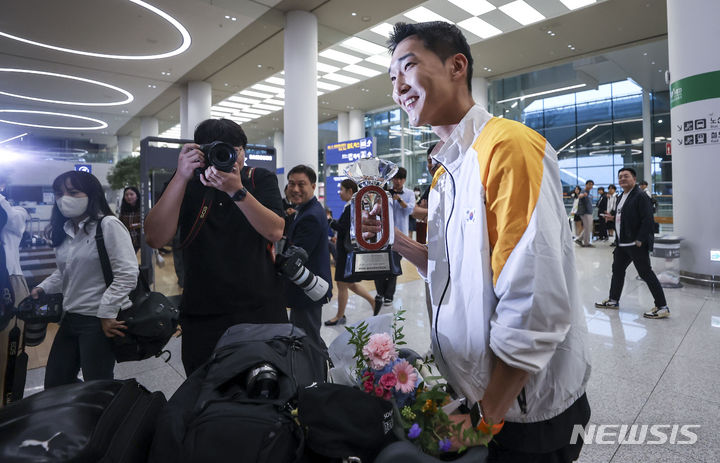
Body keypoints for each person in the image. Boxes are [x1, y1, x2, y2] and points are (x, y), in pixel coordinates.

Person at [383, 21, 590, 461]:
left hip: (522, 412)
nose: (397, 86)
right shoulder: (445, 172)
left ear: (457, 66)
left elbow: (535, 302)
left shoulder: (507, 147)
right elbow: (452, 266)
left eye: (408, 66)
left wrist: (485, 418)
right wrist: (396, 241)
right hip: (476, 397)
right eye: (391, 77)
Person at [144, 118, 287, 375]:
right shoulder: (185, 184)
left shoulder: (258, 180)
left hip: (260, 309)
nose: (226, 157)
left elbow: (275, 231)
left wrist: (237, 191)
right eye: (216, 151)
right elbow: (155, 238)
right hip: (203, 312)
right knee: (203, 391)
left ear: (243, 152)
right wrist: (180, 176)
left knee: (268, 391)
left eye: (234, 150)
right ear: (201, 153)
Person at [30, 171, 138, 388]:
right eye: (59, 194)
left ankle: (104, 420)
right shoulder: (65, 231)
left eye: (72, 192)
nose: (64, 199)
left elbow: (127, 274)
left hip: (97, 321)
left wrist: (107, 313)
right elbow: (64, 272)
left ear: (91, 194)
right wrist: (42, 287)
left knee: (97, 385)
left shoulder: (108, 225)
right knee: (56, 382)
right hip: (70, 316)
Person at [595, 168, 670, 319]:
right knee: (617, 270)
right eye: (620, 177)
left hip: (635, 244)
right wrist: (613, 217)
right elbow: (624, 214)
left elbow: (648, 220)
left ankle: (662, 306)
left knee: (645, 273)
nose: (622, 179)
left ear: (634, 179)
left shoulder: (640, 196)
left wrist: (640, 240)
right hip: (622, 243)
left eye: (626, 176)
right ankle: (613, 300)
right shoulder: (621, 196)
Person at [284, 165, 332, 351]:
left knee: (307, 340)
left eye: (301, 184)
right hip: (307, 289)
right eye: (291, 184)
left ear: (313, 185)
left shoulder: (310, 215)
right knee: (306, 335)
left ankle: (316, 376)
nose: (295, 189)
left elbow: (296, 259)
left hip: (308, 289)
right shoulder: (306, 209)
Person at [324, 179, 376, 326]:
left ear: (350, 191)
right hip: (347, 251)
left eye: (342, 189)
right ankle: (373, 302)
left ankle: (339, 316)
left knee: (342, 284)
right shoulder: (352, 206)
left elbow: (342, 228)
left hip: (346, 252)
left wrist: (329, 220)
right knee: (350, 284)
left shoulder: (350, 207)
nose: (340, 193)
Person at [0, 178, 31, 405]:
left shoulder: (10, 211)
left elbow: (16, 219)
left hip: (8, 283)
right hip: (10, 280)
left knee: (8, 353)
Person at [373, 167, 415, 314]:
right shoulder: (385, 193)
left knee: (394, 266)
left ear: (404, 180)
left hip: (400, 236)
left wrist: (400, 200)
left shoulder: (409, 194)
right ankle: (380, 292)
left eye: (400, 178)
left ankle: (389, 295)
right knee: (379, 264)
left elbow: (410, 210)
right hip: (383, 235)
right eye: (395, 178)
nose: (396, 181)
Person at [118, 186, 142, 252]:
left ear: (137, 196)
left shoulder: (142, 209)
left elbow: (147, 223)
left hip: (141, 241)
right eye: (126, 195)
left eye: (131, 194)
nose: (129, 197)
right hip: (128, 241)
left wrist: (136, 225)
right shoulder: (123, 210)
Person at [575, 180, 594, 247]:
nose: (590, 186)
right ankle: (586, 243)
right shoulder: (584, 191)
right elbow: (580, 195)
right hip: (585, 212)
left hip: (589, 212)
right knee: (588, 227)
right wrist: (582, 195)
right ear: (586, 185)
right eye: (589, 184)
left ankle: (579, 239)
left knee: (588, 227)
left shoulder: (588, 192)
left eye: (592, 184)